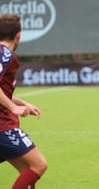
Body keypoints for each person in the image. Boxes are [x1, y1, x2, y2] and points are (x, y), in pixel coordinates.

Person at [0, 14, 48, 189]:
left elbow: (2, 92)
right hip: (3, 127)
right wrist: (13, 107)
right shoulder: (4, 54)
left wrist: (22, 104)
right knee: (39, 165)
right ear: (18, 35)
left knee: (26, 169)